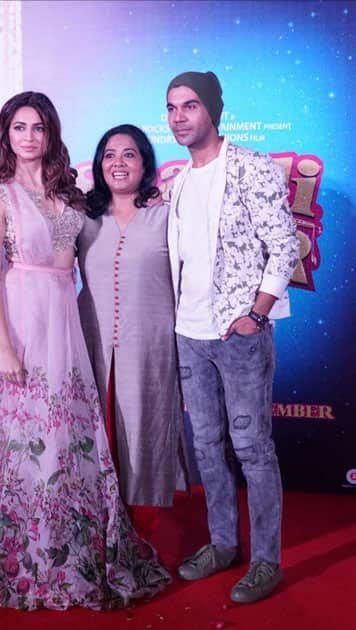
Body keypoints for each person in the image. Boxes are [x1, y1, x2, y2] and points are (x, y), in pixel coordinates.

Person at [0, 92, 170, 611]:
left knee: (64, 436)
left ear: (51, 134)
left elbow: (80, 248)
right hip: (19, 323)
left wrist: (150, 199)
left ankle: (68, 546)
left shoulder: (68, 196)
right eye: (19, 127)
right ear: (6, 133)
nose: (29, 137)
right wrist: (3, 347)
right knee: (19, 439)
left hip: (64, 323)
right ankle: (21, 552)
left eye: (38, 127)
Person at [165, 71, 299, 603]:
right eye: (172, 107)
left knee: (252, 449)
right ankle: (223, 544)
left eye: (189, 106)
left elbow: (285, 245)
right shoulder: (176, 183)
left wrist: (257, 315)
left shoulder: (250, 167)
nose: (179, 116)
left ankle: (266, 560)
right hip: (188, 333)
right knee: (205, 445)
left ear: (213, 111)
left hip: (238, 333)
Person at [77, 124, 189, 542]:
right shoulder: (84, 219)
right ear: (98, 164)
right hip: (92, 345)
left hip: (151, 346)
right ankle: (95, 531)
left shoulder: (167, 215)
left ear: (145, 164)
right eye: (109, 154)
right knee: (97, 433)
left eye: (128, 154)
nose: (118, 163)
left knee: (145, 433)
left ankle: (144, 537)